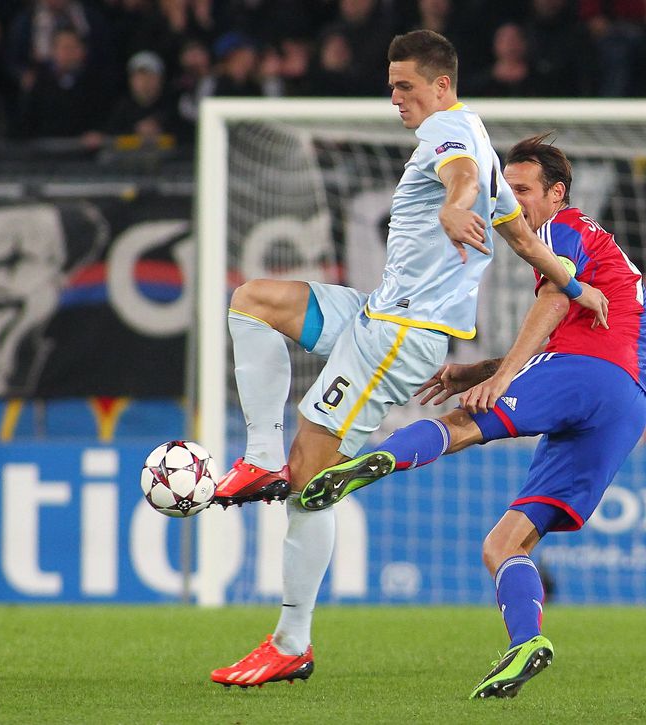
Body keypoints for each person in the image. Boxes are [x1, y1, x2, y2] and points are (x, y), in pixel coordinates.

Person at [208, 30, 609, 689]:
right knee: (254, 301)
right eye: (391, 85)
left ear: (442, 86)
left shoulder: (451, 133)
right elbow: (521, 238)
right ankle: (257, 457)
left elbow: (462, 179)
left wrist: (453, 208)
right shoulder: (478, 140)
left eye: (405, 86)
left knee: (310, 475)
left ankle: (290, 642)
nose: (395, 97)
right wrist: (574, 285)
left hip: (400, 333)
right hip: (377, 313)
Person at [298, 134, 646, 699]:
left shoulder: (561, 228)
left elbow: (557, 300)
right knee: (503, 545)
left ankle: (369, 463)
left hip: (587, 372)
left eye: (522, 190)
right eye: (503, 190)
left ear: (557, 193)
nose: (508, 202)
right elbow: (567, 336)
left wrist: (501, 377)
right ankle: (526, 644)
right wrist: (481, 368)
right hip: (626, 403)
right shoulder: (602, 246)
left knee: (465, 422)